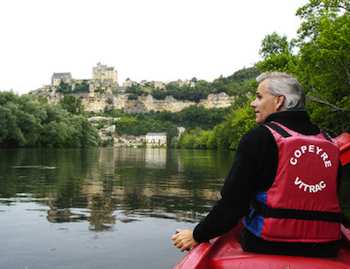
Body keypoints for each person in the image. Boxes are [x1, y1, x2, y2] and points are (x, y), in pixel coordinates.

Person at [171, 72, 342, 257]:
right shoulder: (330, 143)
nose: (253, 103)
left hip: (268, 243)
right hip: (327, 246)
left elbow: (232, 204)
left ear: (278, 101)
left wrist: (197, 235)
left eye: (259, 97)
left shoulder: (259, 138)